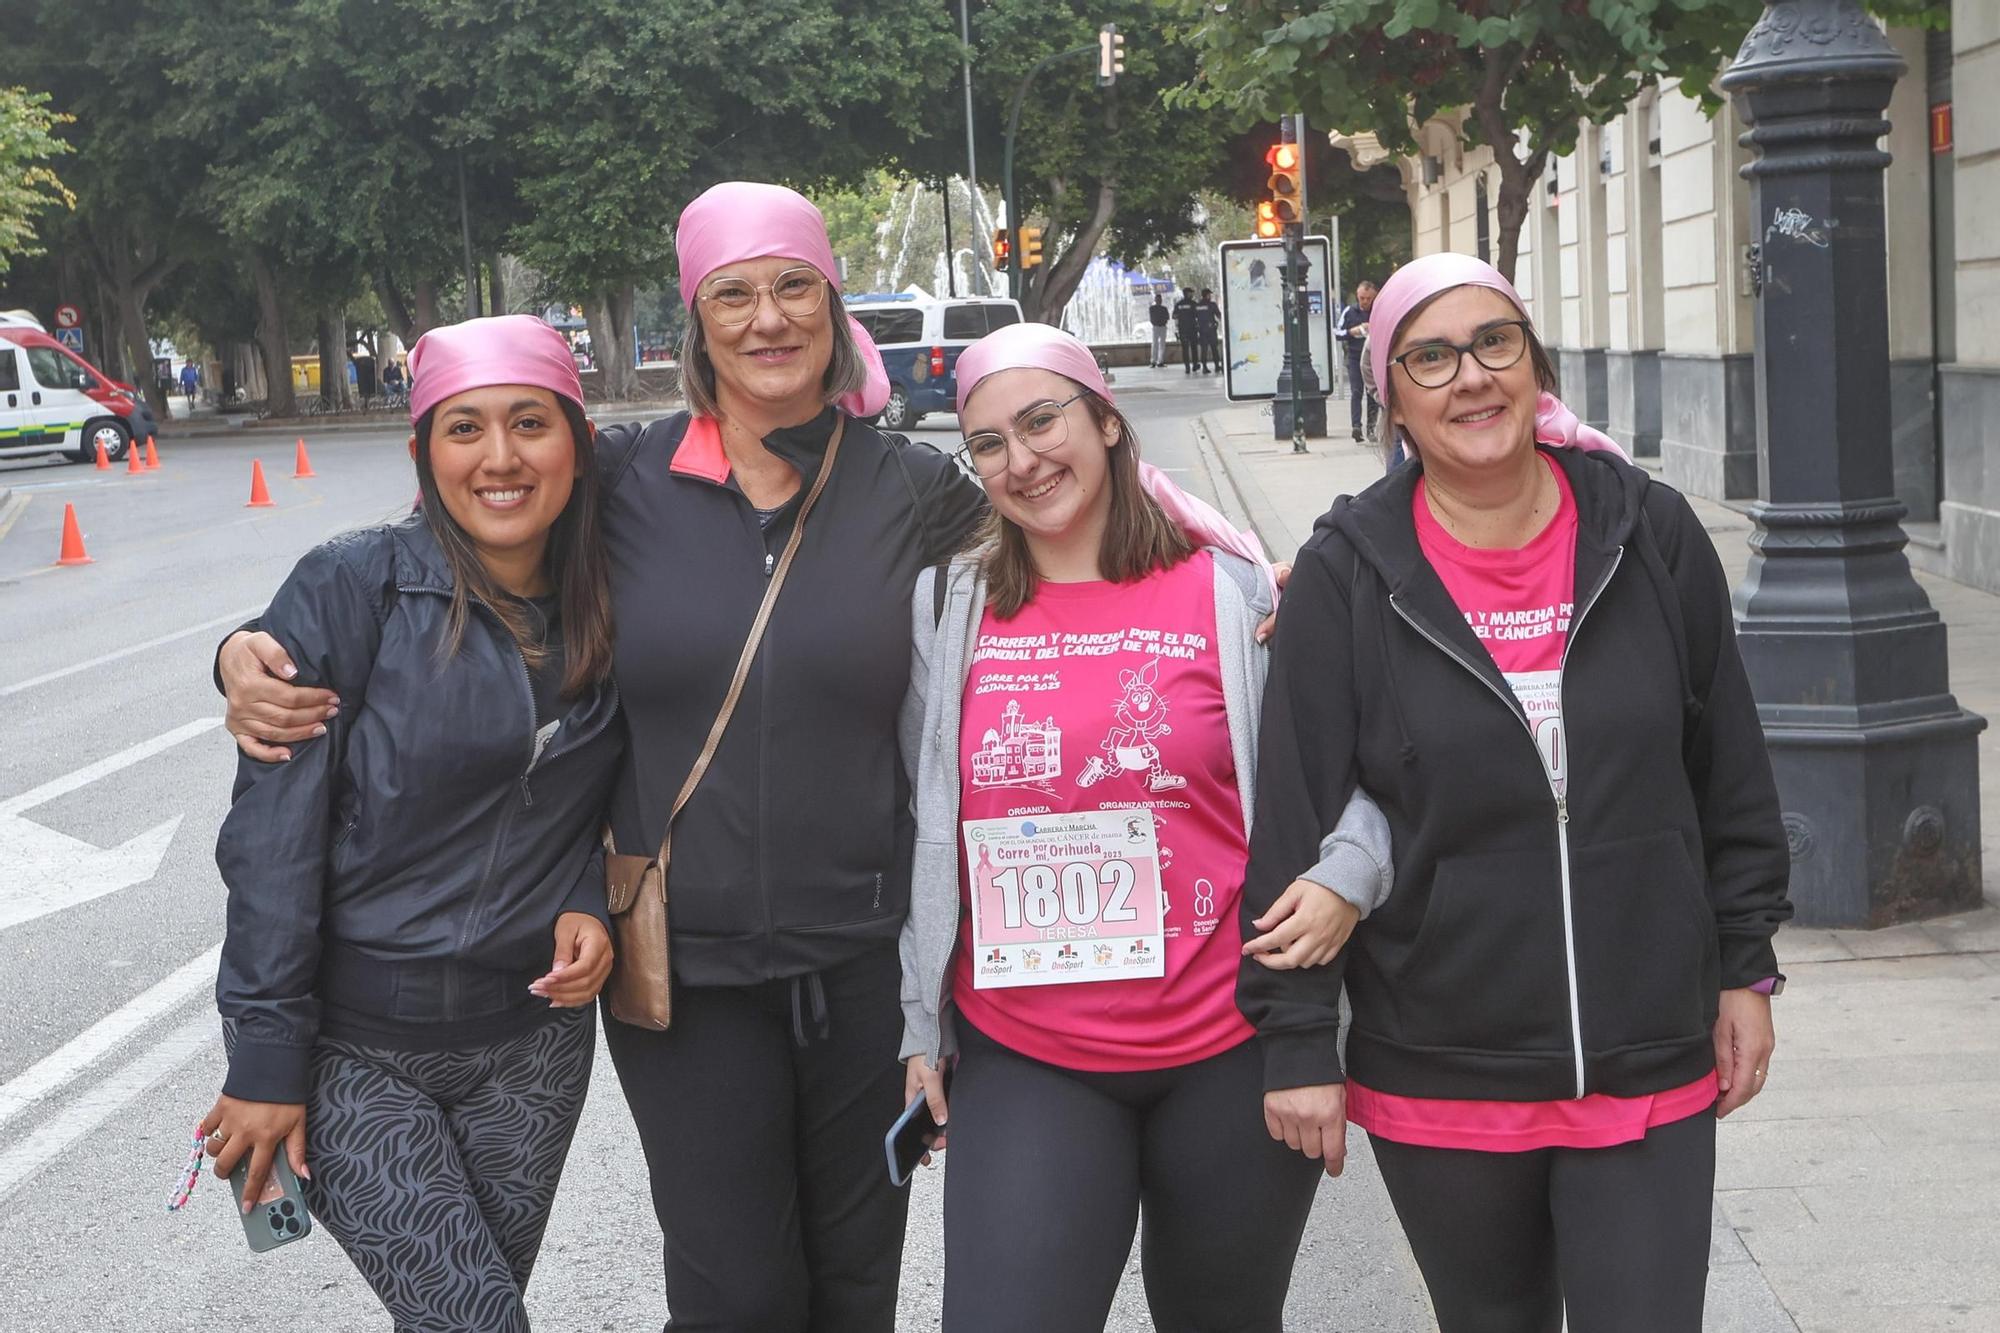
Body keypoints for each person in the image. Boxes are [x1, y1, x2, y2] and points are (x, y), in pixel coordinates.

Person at [214, 182, 1257, 1332]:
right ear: (695, 320)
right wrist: (244, 653)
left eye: (793, 287)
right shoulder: (620, 483)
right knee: (739, 1297)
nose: (767, 317)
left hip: (865, 965)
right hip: (685, 979)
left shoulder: (905, 486)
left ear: (830, 303)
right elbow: (452, 539)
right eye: (733, 294)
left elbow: (1072, 507)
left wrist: (1249, 571)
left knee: (854, 1286)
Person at [1241, 252, 1792, 1331]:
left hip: (1646, 1046)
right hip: (1441, 1062)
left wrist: (1744, 965)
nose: (1470, 379)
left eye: (1493, 343)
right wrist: (1296, 1040)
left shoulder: (1647, 531)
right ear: (1389, 394)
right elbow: (1295, 818)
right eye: (1430, 357)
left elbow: (1724, 764)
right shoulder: (1348, 572)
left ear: (1532, 363)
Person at [900, 322, 1392, 1333]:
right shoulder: (946, 605)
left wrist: (1348, 875)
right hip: (1026, 1048)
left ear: (1108, 425)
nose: (1020, 460)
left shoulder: (1236, 592)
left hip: (1224, 1043)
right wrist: (916, 1024)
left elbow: (1369, 770)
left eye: (1041, 422)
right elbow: (918, 816)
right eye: (986, 442)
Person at [203, 314, 623, 1331]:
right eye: (464, 429)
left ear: (577, 439)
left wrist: (583, 896)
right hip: (357, 1049)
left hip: (534, 1040)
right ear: (423, 454)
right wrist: (263, 1059)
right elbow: (271, 841)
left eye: (529, 422)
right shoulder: (355, 584)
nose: (501, 457)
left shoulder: (619, 590)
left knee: (460, 1314)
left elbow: (612, 780)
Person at [1336, 282, 1377, 441]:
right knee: (1356, 392)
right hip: (1354, 357)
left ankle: (1371, 428)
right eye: (1361, 298)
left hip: (1373, 358)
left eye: (1368, 298)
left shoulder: (1377, 311)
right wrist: (1351, 332)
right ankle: (1356, 427)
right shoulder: (1350, 311)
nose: (1364, 302)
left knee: (1372, 394)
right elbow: (1337, 333)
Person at [1197, 288, 1223, 374]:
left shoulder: (1198, 305)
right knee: (1214, 349)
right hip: (1211, 330)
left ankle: (1204, 367)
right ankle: (1216, 366)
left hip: (1202, 330)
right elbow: (1218, 315)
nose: (1210, 296)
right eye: (1209, 295)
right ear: (1207, 295)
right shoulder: (1212, 305)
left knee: (1204, 349)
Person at [1173, 287, 1199, 374]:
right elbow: (1198, 315)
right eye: (1191, 293)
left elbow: (1174, 316)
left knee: (1185, 349)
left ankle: (1187, 367)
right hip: (1192, 329)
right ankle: (1195, 365)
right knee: (1194, 347)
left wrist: (1181, 315)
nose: (1192, 295)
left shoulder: (1178, 304)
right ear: (1188, 294)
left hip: (1182, 329)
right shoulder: (1193, 304)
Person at [1147, 293, 1169, 368]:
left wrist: (1163, 322)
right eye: (1157, 299)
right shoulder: (1152, 308)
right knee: (1154, 344)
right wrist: (1156, 323)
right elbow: (1151, 318)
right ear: (1155, 300)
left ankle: (1160, 361)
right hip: (1156, 327)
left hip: (1163, 327)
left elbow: (1167, 317)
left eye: (1160, 299)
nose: (1159, 301)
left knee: (1162, 344)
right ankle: (1153, 361)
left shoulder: (1164, 308)